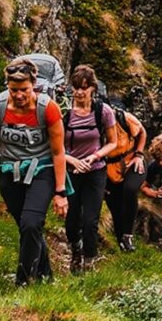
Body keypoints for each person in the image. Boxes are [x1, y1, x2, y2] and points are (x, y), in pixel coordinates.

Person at [0, 57, 69, 285]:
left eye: (25, 90)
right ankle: (45, 278)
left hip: (43, 170)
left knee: (31, 222)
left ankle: (23, 283)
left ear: (35, 85)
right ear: (7, 86)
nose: (19, 95)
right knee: (27, 227)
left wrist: (60, 193)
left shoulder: (48, 108)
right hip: (9, 172)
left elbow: (58, 152)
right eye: (14, 90)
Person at [63, 65, 117, 273]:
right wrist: (73, 161)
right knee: (71, 217)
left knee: (90, 219)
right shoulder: (65, 112)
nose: (78, 92)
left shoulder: (103, 111)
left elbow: (112, 142)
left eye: (83, 88)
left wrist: (94, 157)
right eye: (75, 87)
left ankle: (89, 262)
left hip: (95, 170)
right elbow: (55, 145)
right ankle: (76, 250)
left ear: (92, 88)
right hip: (70, 170)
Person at [102, 98, 147, 252]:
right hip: (108, 170)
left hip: (131, 163)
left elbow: (142, 132)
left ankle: (128, 235)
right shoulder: (94, 125)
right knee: (114, 205)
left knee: (130, 189)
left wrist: (139, 155)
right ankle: (122, 241)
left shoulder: (124, 118)